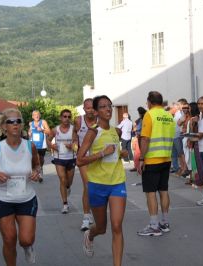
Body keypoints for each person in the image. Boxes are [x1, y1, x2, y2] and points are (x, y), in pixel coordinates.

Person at [0, 108, 40, 265]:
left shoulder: (29, 146)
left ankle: (27, 247)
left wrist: (36, 172)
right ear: (4, 127)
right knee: (10, 239)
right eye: (11, 121)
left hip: (26, 198)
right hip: (3, 199)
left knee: (26, 240)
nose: (15, 124)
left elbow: (37, 165)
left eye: (18, 121)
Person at [76, 95, 127, 266]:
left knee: (117, 226)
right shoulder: (93, 132)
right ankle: (90, 235)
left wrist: (121, 153)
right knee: (102, 228)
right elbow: (79, 160)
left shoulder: (116, 131)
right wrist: (101, 154)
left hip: (117, 183)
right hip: (97, 184)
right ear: (96, 111)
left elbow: (114, 153)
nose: (108, 109)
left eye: (110, 106)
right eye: (103, 106)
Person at [137, 91, 175, 236]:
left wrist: (141, 159)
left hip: (152, 159)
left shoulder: (149, 114)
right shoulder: (168, 115)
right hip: (166, 158)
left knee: (150, 193)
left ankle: (154, 226)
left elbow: (145, 139)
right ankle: (165, 223)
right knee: (163, 190)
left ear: (149, 102)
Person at [74, 98, 97, 230]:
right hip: (83, 158)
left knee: (97, 187)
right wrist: (75, 142)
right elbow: (74, 133)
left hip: (98, 158)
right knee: (88, 186)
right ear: (84, 109)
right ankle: (86, 217)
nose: (91, 111)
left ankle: (96, 213)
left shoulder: (101, 121)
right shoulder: (78, 120)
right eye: (88, 108)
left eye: (93, 108)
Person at [49, 109, 77, 214]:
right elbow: (48, 139)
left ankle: (68, 187)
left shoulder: (74, 129)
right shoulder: (55, 130)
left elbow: (76, 142)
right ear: (61, 118)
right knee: (62, 179)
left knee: (69, 181)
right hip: (59, 158)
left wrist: (72, 146)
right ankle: (65, 204)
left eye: (69, 117)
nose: (67, 119)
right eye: (65, 116)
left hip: (71, 157)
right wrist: (51, 146)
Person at [28, 110, 50, 183]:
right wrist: (29, 133)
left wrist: (42, 130)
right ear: (32, 116)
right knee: (34, 159)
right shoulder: (31, 124)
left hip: (42, 144)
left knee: (41, 159)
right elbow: (29, 132)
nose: (36, 116)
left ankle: (40, 169)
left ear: (39, 116)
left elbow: (49, 131)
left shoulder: (43, 122)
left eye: (37, 115)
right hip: (33, 144)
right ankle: (36, 173)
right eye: (34, 115)